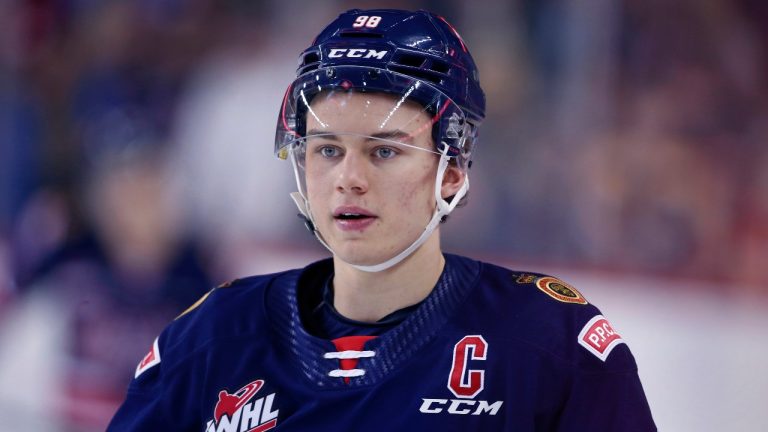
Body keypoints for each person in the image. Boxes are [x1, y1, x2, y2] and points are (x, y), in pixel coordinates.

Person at [109, 9, 656, 431]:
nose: (348, 178)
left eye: (384, 151)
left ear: (451, 171)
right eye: (327, 150)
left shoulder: (549, 343)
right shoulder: (211, 339)